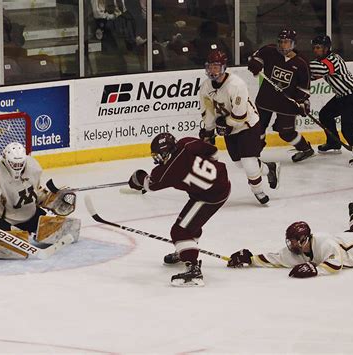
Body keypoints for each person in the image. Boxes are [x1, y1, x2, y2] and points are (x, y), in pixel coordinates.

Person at [128, 132, 231, 286]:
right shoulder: (187, 143)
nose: (156, 159)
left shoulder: (167, 170)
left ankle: (193, 269)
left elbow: (150, 185)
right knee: (190, 223)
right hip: (220, 184)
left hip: (209, 197)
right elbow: (213, 152)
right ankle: (186, 250)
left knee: (180, 231)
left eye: (158, 155)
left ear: (166, 152)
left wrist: (138, 178)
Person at [199, 48, 280, 205]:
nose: (212, 71)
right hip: (229, 129)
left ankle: (259, 192)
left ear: (223, 67)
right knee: (238, 163)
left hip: (247, 125)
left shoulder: (236, 85)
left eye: (216, 67)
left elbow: (240, 115)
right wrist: (209, 131)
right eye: (210, 67)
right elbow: (208, 111)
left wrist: (226, 125)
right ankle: (269, 169)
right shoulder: (205, 87)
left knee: (249, 163)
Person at [227, 202, 353, 278]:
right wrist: (250, 259)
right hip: (348, 237)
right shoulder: (298, 251)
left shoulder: (325, 243)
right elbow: (276, 258)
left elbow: (336, 265)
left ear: (304, 239)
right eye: (290, 240)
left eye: (293, 240)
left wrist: (315, 270)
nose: (291, 244)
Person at [247, 28, 314, 162]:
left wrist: (302, 102)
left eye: (287, 42)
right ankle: (254, 153)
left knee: (286, 133)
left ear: (294, 44)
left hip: (286, 104)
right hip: (266, 99)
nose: (283, 45)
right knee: (257, 128)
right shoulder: (269, 51)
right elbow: (255, 57)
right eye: (281, 42)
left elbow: (304, 88)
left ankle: (306, 149)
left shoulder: (301, 63)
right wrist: (254, 63)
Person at [309, 35, 353, 167]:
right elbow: (313, 75)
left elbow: (319, 69)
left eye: (318, 47)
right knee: (325, 114)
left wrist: (296, 64)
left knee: (348, 127)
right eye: (314, 48)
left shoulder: (332, 60)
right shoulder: (322, 61)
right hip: (342, 96)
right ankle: (333, 142)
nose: (315, 50)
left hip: (352, 95)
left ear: (326, 48)